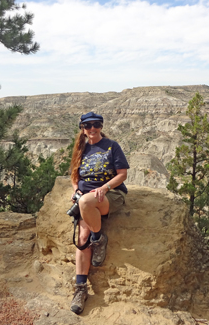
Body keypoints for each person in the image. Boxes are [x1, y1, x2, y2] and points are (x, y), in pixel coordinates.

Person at [69, 112, 129, 314]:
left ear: (101, 126)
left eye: (96, 125)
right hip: (87, 199)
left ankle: (99, 237)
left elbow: (122, 174)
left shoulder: (112, 146)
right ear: (82, 128)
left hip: (110, 196)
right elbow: (74, 174)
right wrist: (75, 189)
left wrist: (105, 188)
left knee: (86, 202)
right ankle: (80, 289)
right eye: (87, 126)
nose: (92, 129)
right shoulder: (81, 148)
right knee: (82, 238)